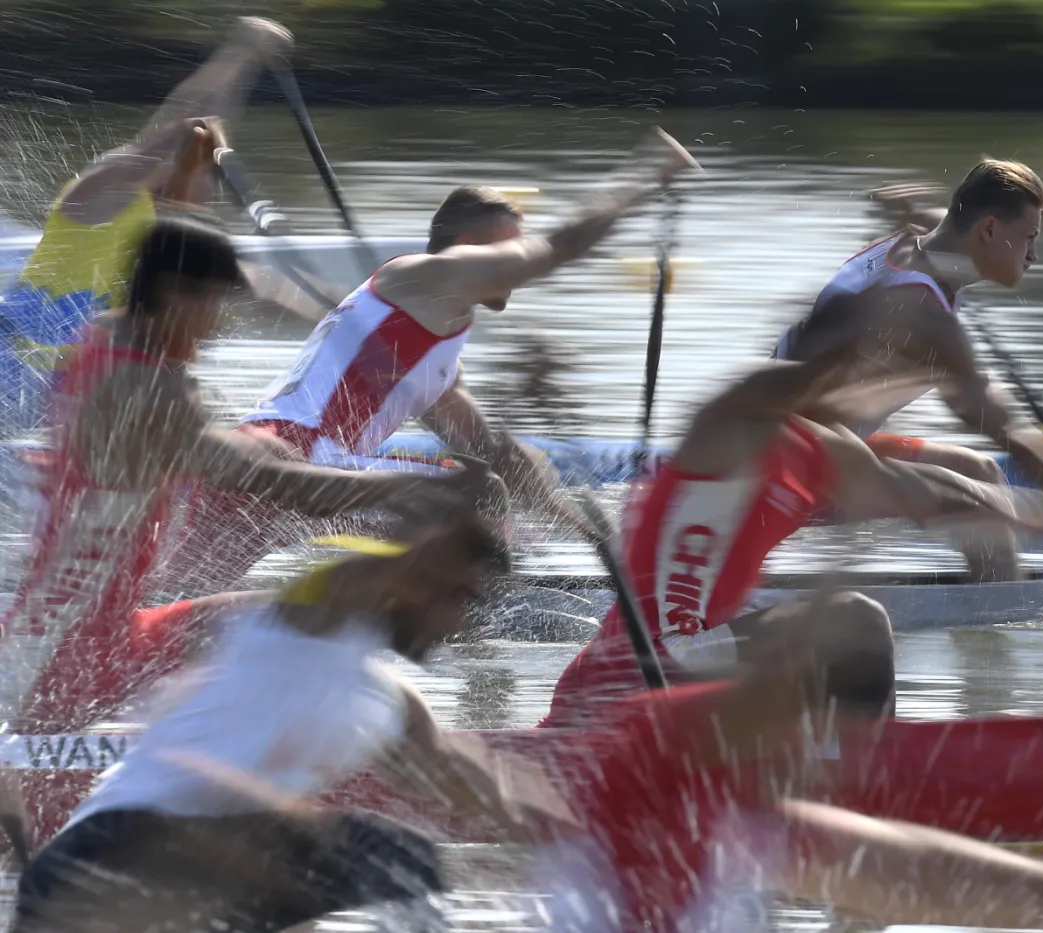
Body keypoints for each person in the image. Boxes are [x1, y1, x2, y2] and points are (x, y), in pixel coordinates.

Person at [11, 513, 1043, 933]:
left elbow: (873, 860)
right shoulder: (310, 618)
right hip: (116, 874)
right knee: (383, 860)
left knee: (400, 861)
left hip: (152, 882)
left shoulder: (397, 704)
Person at [0, 218, 500, 737]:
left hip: (105, 632)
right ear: (172, 293)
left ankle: (284, 754)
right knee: (322, 610)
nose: (216, 327)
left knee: (305, 616)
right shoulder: (144, 393)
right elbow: (281, 485)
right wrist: (402, 489)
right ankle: (258, 769)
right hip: (62, 658)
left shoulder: (108, 339)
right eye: (212, 305)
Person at [158, 128, 702, 597]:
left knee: (169, 611)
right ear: (467, 247)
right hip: (294, 459)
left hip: (273, 469)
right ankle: (479, 628)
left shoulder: (435, 349)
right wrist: (649, 178)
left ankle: (464, 603)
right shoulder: (427, 274)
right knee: (480, 494)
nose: (510, 265)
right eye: (503, 249)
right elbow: (558, 249)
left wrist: (595, 538)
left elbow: (496, 451)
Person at [540, 341, 1043, 729]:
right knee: (854, 621)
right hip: (639, 668)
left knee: (836, 634)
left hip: (693, 663)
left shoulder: (822, 452)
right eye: (863, 385)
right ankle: (870, 779)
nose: (880, 406)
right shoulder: (730, 433)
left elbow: (931, 493)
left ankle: (840, 767)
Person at [772, 100, 1043, 582]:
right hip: (783, 474)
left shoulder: (922, 239)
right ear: (989, 230)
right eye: (1029, 240)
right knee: (986, 502)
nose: (1035, 254)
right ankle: (999, 616)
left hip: (814, 440)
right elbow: (1002, 425)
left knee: (979, 471)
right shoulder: (925, 316)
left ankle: (991, 602)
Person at [0, 16, 321, 441]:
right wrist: (243, 53)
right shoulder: (101, 197)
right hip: (17, 377)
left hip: (84, 393)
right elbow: (185, 123)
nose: (215, 190)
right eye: (209, 172)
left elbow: (266, 293)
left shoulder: (179, 244)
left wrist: (354, 327)